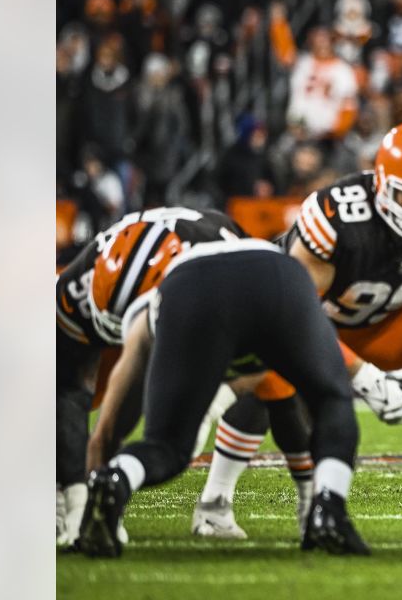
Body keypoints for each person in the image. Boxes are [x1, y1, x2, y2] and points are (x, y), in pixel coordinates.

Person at [192, 120, 402, 537]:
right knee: (269, 378)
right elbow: (295, 317)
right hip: (296, 318)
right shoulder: (339, 216)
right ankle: (214, 502)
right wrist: (365, 377)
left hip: (381, 318)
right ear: (381, 183)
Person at [75, 238, 368, 558]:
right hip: (277, 271)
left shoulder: (146, 314)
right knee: (332, 400)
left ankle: (118, 477)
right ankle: (329, 505)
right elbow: (288, 375)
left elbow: (112, 424)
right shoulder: (219, 241)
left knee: (168, 446)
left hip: (189, 288)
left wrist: (103, 463)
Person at [55, 207, 249, 546]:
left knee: (267, 381)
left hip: (195, 296)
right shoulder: (74, 289)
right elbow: (68, 384)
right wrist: (77, 495)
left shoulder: (214, 274)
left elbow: (259, 366)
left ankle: (223, 502)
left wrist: (210, 404)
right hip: (134, 305)